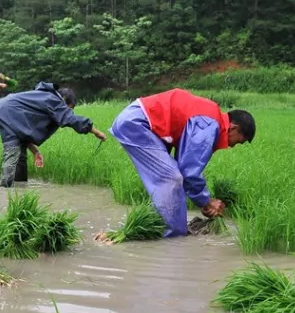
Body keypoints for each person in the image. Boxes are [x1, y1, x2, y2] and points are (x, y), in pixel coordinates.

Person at [104, 89, 254, 239]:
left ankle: (151, 226)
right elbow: (188, 170)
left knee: (170, 177)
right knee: (171, 178)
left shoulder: (210, 118)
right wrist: (206, 201)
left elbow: (185, 163)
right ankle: (173, 240)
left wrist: (202, 200)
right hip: (137, 123)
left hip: (137, 120)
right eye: (239, 141)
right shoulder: (210, 123)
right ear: (233, 128)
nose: (233, 146)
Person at [0, 81, 105, 187]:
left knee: (19, 150)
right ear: (64, 99)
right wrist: (96, 132)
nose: (67, 110)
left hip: (2, 108)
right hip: (7, 111)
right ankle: (4, 190)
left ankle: (19, 188)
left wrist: (35, 152)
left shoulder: (43, 97)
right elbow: (70, 119)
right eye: (68, 108)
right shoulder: (53, 99)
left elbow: (22, 132)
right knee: (12, 149)